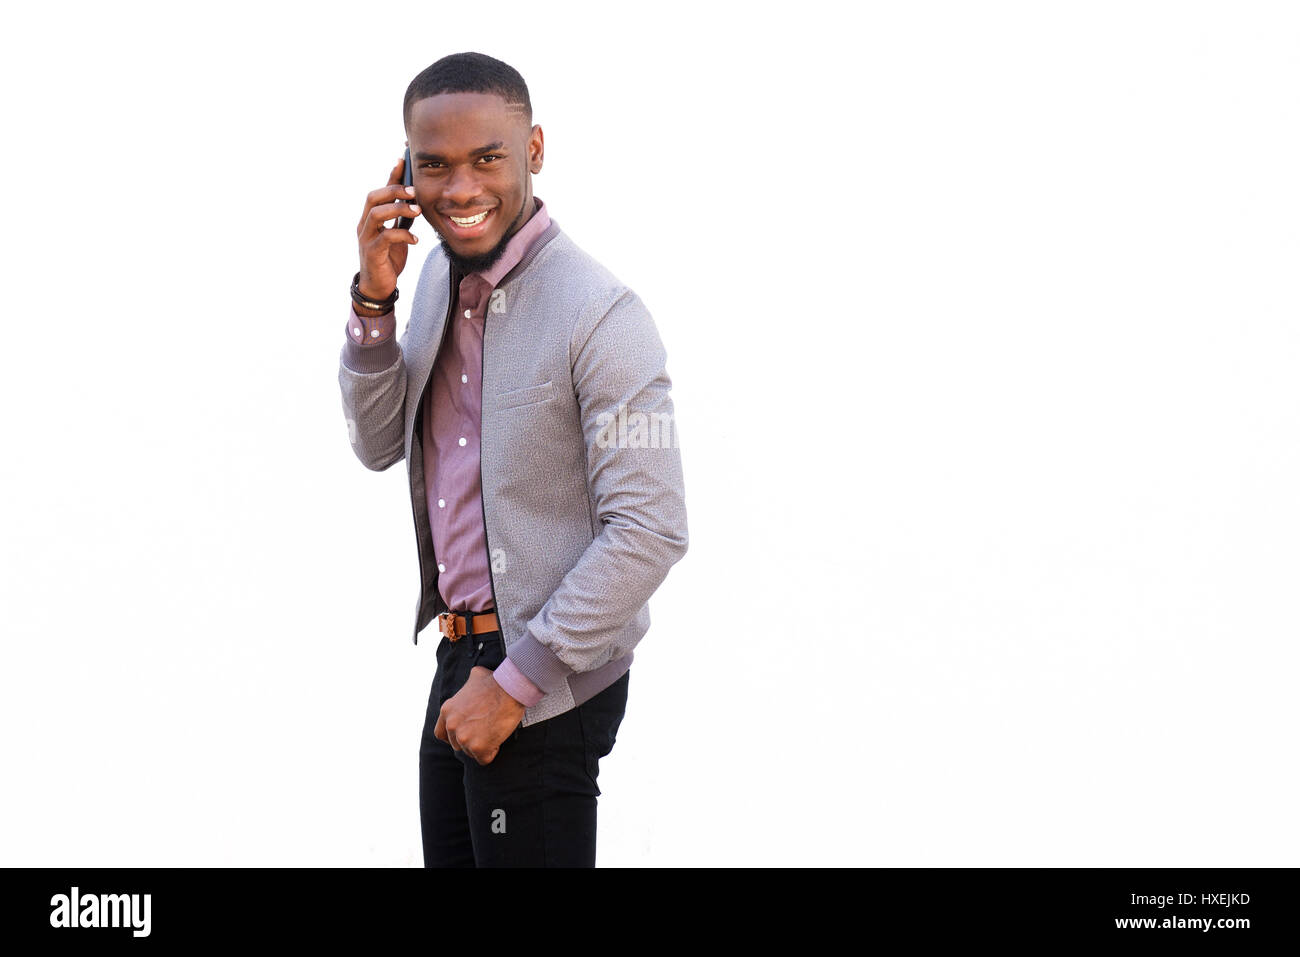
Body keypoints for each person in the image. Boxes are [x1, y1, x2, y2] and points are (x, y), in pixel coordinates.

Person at [337, 51, 688, 867]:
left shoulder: (602, 315)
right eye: (434, 165)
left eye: (487, 158)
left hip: (544, 677)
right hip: (460, 659)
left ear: (533, 149)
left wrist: (517, 683)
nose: (459, 190)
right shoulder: (427, 283)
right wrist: (372, 300)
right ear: (405, 172)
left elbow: (651, 528)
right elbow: (378, 443)